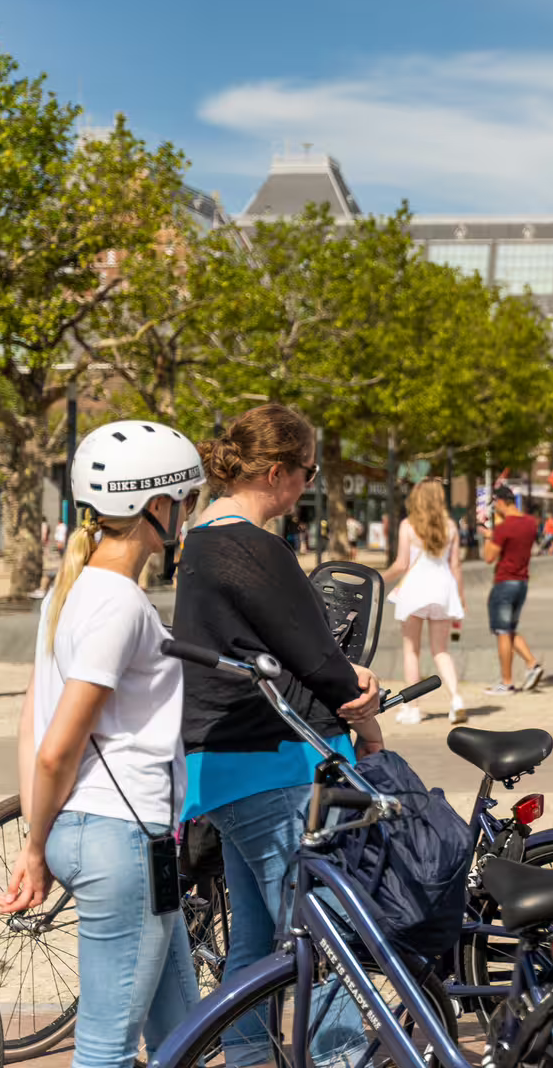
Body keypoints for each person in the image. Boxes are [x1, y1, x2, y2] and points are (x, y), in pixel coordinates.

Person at [176, 404, 384, 1068]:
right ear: (277, 472)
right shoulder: (255, 547)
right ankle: (338, 1059)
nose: (307, 487)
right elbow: (320, 660)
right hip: (271, 762)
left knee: (257, 939)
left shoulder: (200, 539)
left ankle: (247, 1058)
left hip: (223, 765)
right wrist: (369, 714)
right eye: (308, 473)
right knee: (326, 937)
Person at [0, 421, 205, 1068]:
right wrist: (32, 851)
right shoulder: (118, 602)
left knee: (181, 1031)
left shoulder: (70, 593)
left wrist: (40, 834)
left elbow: (32, 724)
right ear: (156, 506)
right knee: (105, 1051)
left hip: (117, 837)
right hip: (125, 838)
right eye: (186, 501)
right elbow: (60, 744)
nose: (189, 514)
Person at [384, 478, 466, 726]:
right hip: (443, 588)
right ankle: (456, 699)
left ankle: (414, 707)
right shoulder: (450, 527)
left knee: (412, 650)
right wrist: (460, 599)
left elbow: (401, 564)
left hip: (415, 590)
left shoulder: (408, 526)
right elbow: (456, 566)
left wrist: (378, 578)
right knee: (441, 650)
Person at [481, 486, 544, 695]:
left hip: (504, 582)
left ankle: (507, 682)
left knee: (501, 631)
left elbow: (489, 557)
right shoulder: (530, 523)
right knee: (509, 629)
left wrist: (489, 536)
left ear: (500, 502)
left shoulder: (504, 527)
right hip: (522, 583)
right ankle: (532, 664)